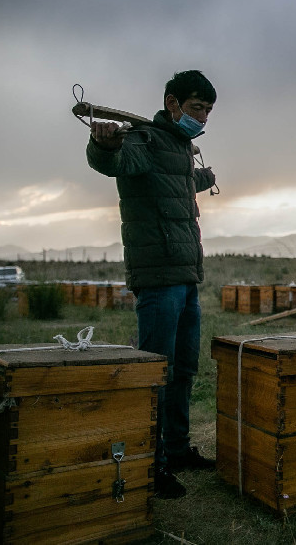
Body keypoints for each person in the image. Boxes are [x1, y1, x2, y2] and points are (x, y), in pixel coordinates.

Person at [86, 70, 218, 499]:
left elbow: (178, 185)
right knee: (156, 375)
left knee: (182, 370)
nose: (202, 118)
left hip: (186, 276)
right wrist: (102, 143)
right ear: (173, 103)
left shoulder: (179, 148)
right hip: (157, 280)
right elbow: (114, 163)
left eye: (208, 112)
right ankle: (153, 463)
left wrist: (204, 177)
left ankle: (177, 449)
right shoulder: (143, 140)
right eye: (197, 108)